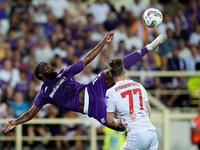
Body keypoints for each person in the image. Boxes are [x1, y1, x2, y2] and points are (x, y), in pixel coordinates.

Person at [2, 31, 165, 133]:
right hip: (91, 108)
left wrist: (103, 41)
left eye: (48, 64)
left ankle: (149, 47)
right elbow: (30, 113)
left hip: (92, 89)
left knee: (115, 67)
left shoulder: (64, 73)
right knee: (120, 127)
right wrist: (15, 122)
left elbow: (86, 59)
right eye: (45, 67)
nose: (49, 66)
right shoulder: (44, 94)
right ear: (41, 76)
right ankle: (132, 118)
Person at [106, 57, 158, 149]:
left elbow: (110, 120)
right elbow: (148, 112)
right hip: (152, 133)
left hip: (136, 134)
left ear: (111, 74)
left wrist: (117, 121)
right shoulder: (139, 86)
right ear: (125, 71)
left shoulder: (111, 92)